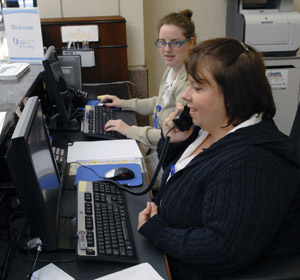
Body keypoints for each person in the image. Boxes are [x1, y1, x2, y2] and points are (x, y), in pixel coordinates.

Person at [137, 37, 300, 279]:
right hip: (165, 254)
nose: (185, 96)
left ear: (233, 96)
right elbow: (186, 177)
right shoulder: (210, 128)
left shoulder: (251, 165)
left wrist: (159, 232)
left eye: (198, 87)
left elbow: (222, 248)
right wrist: (176, 142)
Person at [102, 9, 196, 184]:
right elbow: (158, 102)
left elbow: (169, 135)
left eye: (175, 43)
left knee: (119, 179)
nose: (167, 49)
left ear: (191, 42)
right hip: (156, 148)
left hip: (168, 158)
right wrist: (124, 103)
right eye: (162, 42)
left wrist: (129, 130)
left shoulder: (188, 85)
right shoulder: (173, 69)